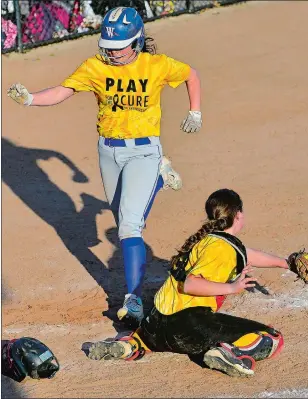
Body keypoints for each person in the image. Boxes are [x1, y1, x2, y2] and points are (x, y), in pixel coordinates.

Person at [7, 6, 202, 326]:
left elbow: (190, 75)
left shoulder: (156, 66)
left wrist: (195, 112)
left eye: (117, 48)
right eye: (107, 48)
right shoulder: (95, 67)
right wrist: (31, 99)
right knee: (124, 216)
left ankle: (134, 299)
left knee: (128, 226)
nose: (110, 53)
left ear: (136, 43)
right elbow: (63, 91)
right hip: (108, 152)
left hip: (143, 151)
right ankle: (159, 179)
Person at [88, 188, 288, 378]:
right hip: (187, 327)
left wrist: (286, 263)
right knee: (271, 337)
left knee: (157, 336)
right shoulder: (222, 248)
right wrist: (232, 287)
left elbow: (248, 254)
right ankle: (227, 352)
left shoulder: (204, 240)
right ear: (238, 215)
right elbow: (191, 284)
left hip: (153, 327)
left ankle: (131, 344)